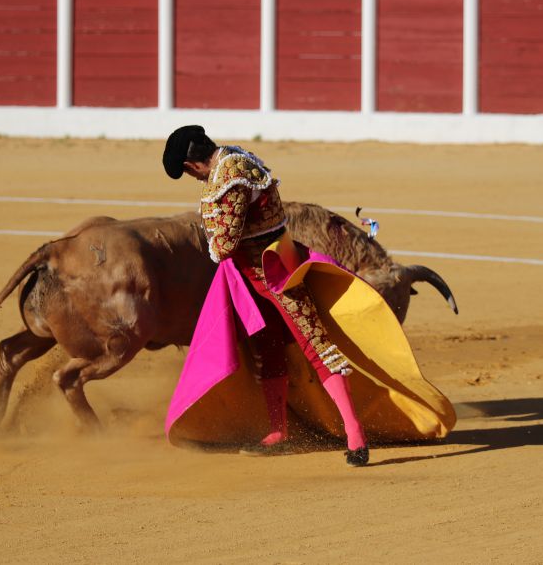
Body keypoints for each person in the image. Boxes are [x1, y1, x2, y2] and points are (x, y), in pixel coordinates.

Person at [161, 126, 456, 467]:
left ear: (191, 164)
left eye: (186, 172)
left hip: (275, 272)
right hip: (255, 276)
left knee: (318, 347)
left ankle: (355, 433)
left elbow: (224, 244)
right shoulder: (234, 157)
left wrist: (212, 240)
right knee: (269, 348)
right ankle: (279, 431)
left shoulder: (230, 174)